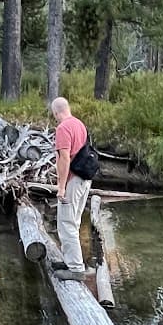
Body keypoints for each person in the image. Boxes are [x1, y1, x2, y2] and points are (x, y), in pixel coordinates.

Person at [50, 96, 91, 280]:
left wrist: (61, 187)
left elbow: (64, 158)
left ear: (56, 112)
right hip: (85, 179)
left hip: (73, 180)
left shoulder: (63, 128)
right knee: (74, 222)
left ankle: (75, 268)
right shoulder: (79, 124)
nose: (55, 117)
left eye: (54, 115)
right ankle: (71, 261)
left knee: (67, 224)